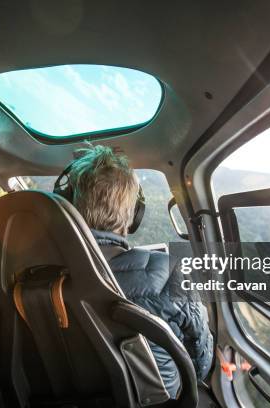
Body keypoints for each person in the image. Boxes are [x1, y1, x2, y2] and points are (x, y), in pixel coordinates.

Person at [64, 145, 213, 397]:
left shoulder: (39, 272)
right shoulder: (171, 273)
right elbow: (199, 367)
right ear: (134, 215)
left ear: (70, 205)